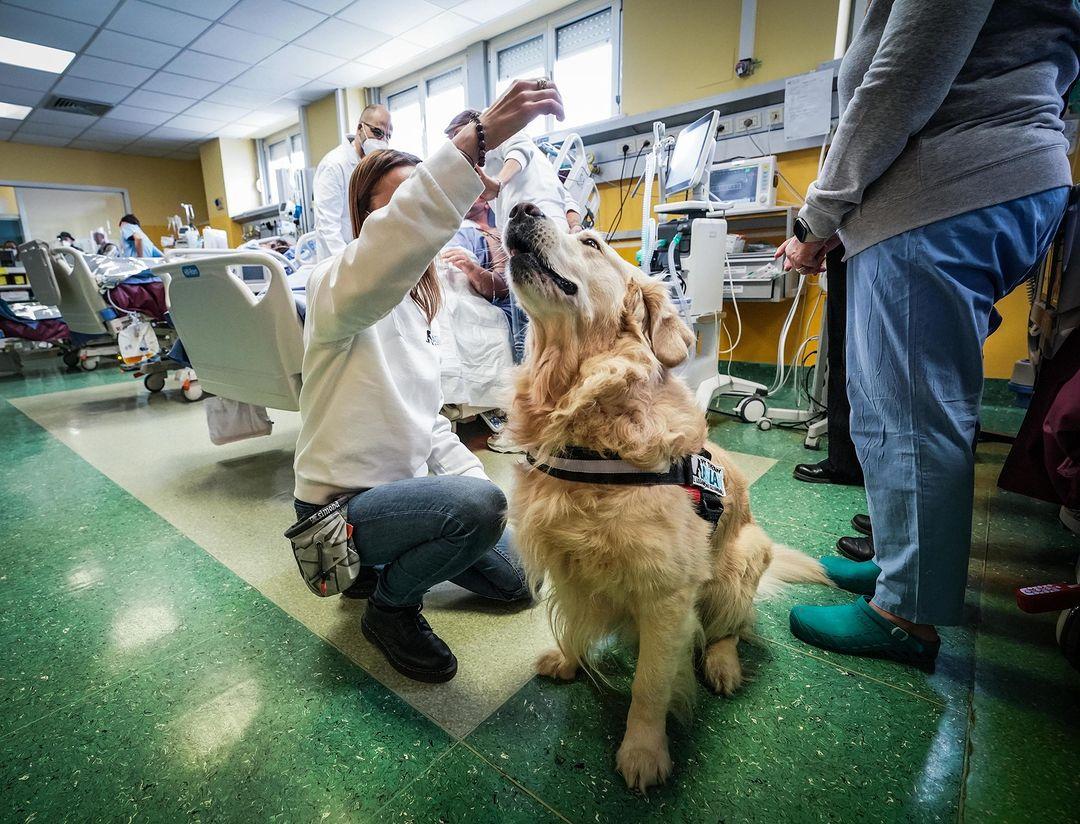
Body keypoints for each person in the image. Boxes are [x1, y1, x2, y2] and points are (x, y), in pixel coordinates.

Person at [779, 0, 1079, 669]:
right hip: (986, 183)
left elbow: (900, 81)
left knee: (910, 414)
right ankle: (899, 567)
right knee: (893, 402)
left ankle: (903, 614)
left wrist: (818, 218)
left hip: (945, 190)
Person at [290, 79, 565, 683]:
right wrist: (477, 140)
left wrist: (494, 517)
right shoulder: (332, 286)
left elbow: (428, 423)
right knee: (476, 507)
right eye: (394, 207)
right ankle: (390, 608)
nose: (411, 228)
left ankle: (390, 561)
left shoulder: (414, 311)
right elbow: (397, 239)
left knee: (521, 578)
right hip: (335, 515)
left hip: (397, 500)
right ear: (366, 219)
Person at [444, 109, 582, 233]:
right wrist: (575, 225)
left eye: (457, 134)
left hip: (540, 224)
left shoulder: (496, 133)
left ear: (478, 126)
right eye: (452, 141)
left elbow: (519, 149)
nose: (457, 144)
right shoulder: (538, 167)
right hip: (528, 230)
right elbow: (565, 197)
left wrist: (498, 184)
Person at [440, 198, 523, 362]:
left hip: (476, 308)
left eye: (476, 194)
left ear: (487, 204)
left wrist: (472, 269)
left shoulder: (493, 234)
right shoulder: (452, 228)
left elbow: (502, 286)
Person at [312, 104, 393, 261]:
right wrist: (347, 264)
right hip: (339, 259)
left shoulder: (374, 167)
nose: (382, 140)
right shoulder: (335, 165)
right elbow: (327, 226)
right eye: (377, 132)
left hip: (365, 255)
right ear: (359, 129)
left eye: (388, 136)